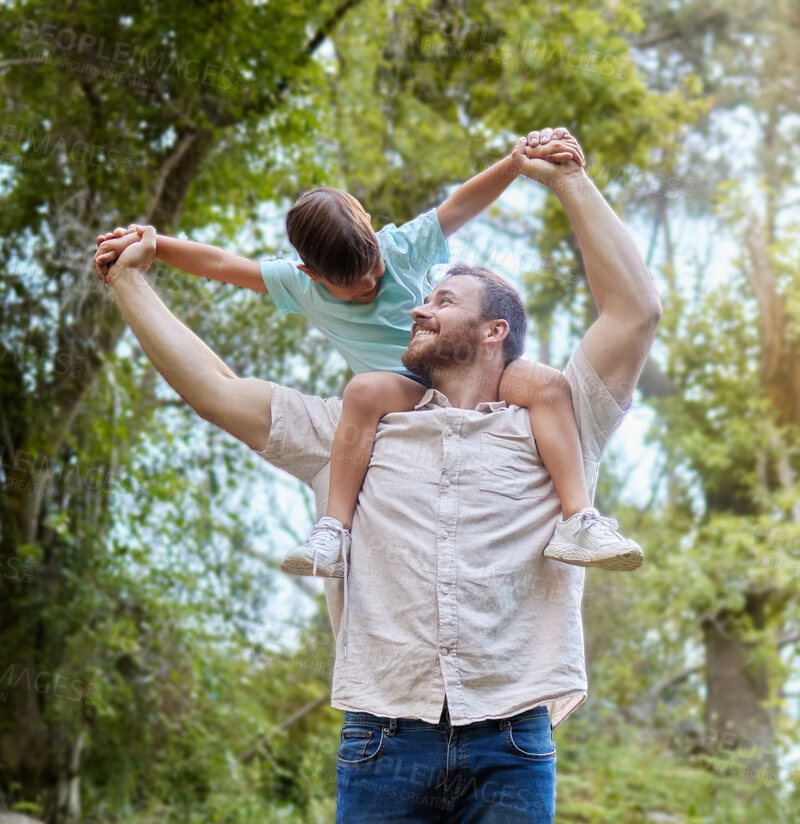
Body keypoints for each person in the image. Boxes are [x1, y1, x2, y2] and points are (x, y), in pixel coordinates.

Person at [94, 127, 661, 824]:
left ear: (493, 329)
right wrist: (136, 289)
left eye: (439, 298)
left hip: (509, 742)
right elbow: (218, 389)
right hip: (384, 740)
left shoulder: (562, 417)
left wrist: (571, 182)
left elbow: (630, 309)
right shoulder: (358, 429)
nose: (414, 308)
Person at [95, 129, 643, 579]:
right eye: (355, 287)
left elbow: (459, 205)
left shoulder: (400, 248)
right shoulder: (297, 284)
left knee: (547, 386)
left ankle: (580, 518)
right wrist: (154, 243)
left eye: (374, 271)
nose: (372, 286)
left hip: (472, 376)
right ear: (312, 276)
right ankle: (334, 529)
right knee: (362, 391)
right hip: (403, 388)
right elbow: (220, 264)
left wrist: (514, 163)